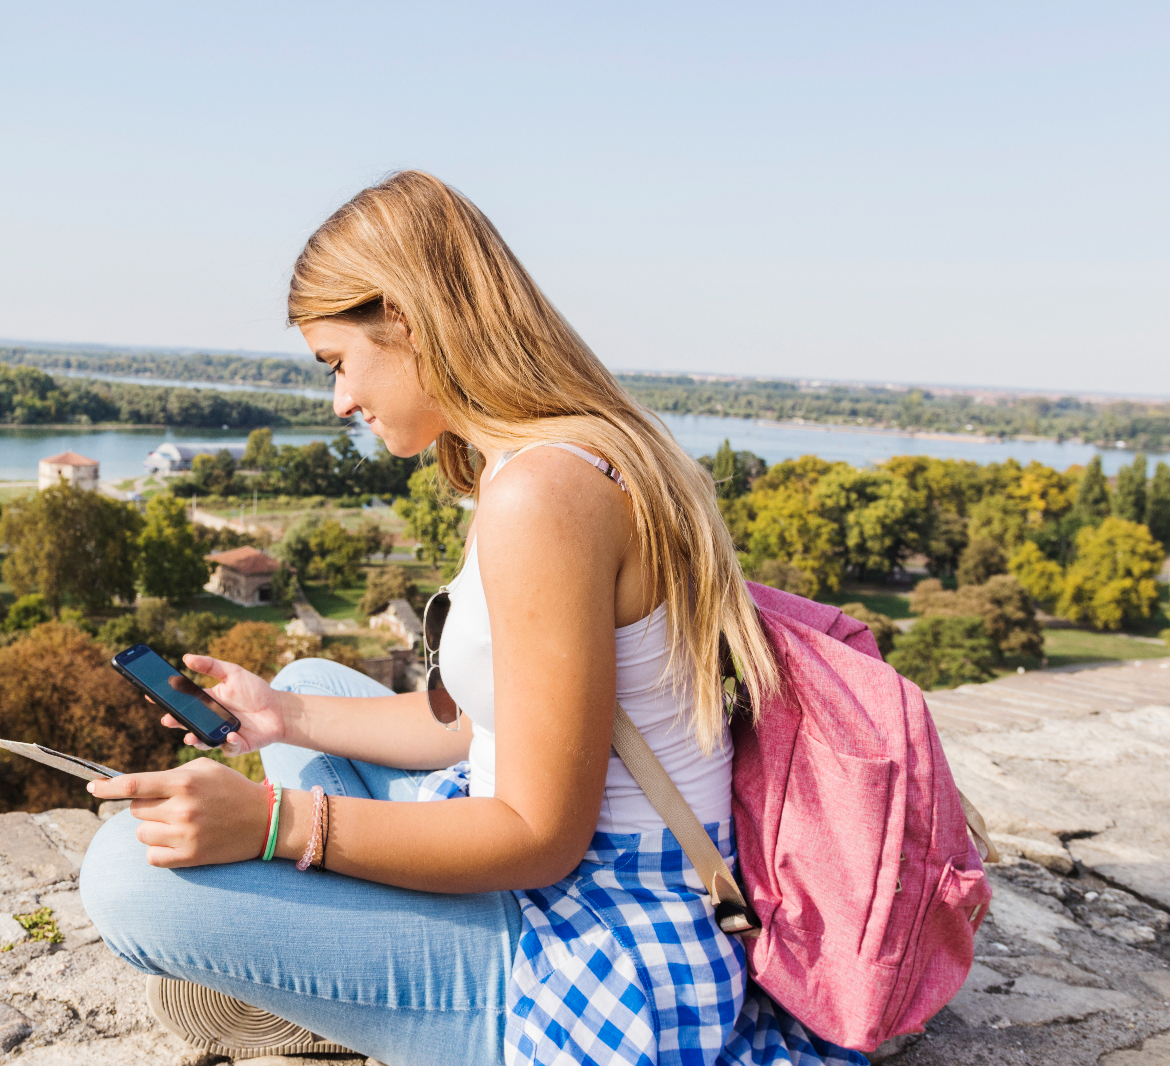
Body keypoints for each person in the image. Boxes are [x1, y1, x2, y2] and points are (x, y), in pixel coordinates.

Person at [80, 172, 866, 1066]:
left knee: (124, 878)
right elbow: (483, 732)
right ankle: (350, 991)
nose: (340, 401)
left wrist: (273, 822)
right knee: (304, 682)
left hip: (600, 933)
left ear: (408, 319)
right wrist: (281, 721)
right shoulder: (555, 457)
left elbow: (539, 835)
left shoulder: (545, 495)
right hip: (564, 866)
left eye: (340, 363)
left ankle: (373, 1005)